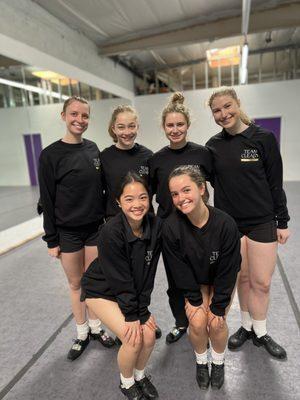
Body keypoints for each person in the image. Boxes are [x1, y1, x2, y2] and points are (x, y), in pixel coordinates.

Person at [206, 87, 290, 359]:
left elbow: (275, 182)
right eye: (217, 110)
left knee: (261, 282)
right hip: (230, 224)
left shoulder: (263, 138)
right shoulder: (213, 146)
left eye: (227, 106)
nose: (223, 114)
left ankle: (261, 332)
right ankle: (245, 327)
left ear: (237, 104)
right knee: (241, 278)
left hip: (262, 221)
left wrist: (282, 220)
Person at [38, 96, 114, 361]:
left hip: (94, 228)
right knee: (75, 283)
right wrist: (51, 239)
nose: (79, 120)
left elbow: (103, 188)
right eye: (74, 114)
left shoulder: (93, 149)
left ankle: (96, 328)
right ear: (63, 116)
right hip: (67, 231)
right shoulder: (50, 155)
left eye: (84, 116)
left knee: (93, 282)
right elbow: (46, 199)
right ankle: (81, 333)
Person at [81, 172, 161, 400]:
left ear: (150, 198)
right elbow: (120, 279)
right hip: (101, 290)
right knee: (132, 338)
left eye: (143, 197)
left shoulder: (155, 226)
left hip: (129, 291)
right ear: (118, 201)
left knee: (149, 336)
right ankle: (126, 383)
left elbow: (149, 272)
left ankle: (140, 375)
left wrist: (143, 310)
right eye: (129, 199)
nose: (137, 204)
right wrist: (133, 315)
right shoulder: (110, 232)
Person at [162, 166, 241, 390]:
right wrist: (195, 300)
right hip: (195, 279)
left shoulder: (225, 224)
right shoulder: (170, 227)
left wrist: (219, 305)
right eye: (175, 194)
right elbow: (179, 269)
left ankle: (217, 362)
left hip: (220, 279)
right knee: (196, 322)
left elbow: (229, 269)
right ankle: (201, 361)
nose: (180, 198)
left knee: (216, 323)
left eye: (186, 190)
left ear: (201, 188)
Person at [148, 92, 212, 344]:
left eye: (179, 124)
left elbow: (218, 185)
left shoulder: (203, 154)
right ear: (164, 127)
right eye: (170, 125)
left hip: (200, 227)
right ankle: (181, 322)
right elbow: (148, 196)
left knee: (202, 277)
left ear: (187, 125)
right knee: (176, 280)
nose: (175, 130)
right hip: (169, 229)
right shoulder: (156, 160)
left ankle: (203, 321)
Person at [101, 105, 161, 340]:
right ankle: (123, 322)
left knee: (143, 276)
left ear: (137, 127)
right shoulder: (104, 157)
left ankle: (143, 316)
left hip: (143, 226)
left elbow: (152, 192)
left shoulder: (148, 156)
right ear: (113, 128)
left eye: (132, 126)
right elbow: (98, 192)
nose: (127, 132)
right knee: (121, 277)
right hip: (115, 228)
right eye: (121, 126)